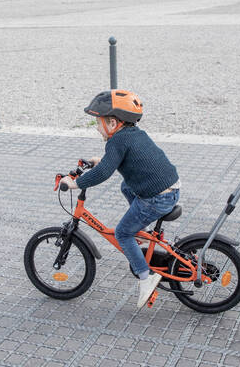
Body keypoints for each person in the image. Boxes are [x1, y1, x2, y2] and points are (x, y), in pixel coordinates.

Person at [60, 90, 181, 308]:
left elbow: (104, 173)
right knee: (126, 185)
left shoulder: (117, 142)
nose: (97, 128)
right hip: (169, 189)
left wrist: (75, 183)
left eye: (99, 123)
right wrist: (102, 160)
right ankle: (138, 231)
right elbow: (123, 159)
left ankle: (146, 278)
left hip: (157, 198)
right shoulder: (134, 134)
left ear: (113, 123)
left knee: (122, 233)